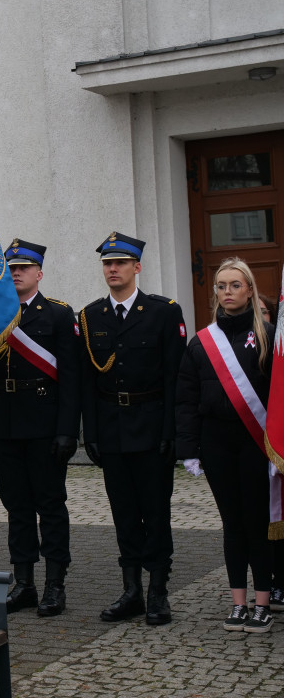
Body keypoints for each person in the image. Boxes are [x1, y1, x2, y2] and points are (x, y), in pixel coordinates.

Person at [80, 232, 186, 625]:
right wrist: (89, 433)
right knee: (123, 512)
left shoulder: (163, 312)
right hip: (111, 430)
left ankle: (158, 590)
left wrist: (172, 432)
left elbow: (175, 378)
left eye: (120, 263)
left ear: (136, 267)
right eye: (107, 263)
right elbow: (88, 383)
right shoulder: (90, 317)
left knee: (155, 513)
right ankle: (132, 592)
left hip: (152, 426)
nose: (112, 269)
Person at [177, 257, 276, 633]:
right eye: (222, 286)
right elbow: (185, 399)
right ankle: (238, 602)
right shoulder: (201, 343)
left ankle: (262, 602)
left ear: (249, 289)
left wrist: (278, 448)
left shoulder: (268, 334)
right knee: (232, 524)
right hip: (216, 442)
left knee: (257, 524)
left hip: (256, 443)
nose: (228, 292)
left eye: (236, 285)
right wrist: (188, 448)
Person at [0, 239, 80, 617]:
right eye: (11, 268)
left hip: (44, 420)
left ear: (38, 273)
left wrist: (67, 431)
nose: (16, 273)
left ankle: (54, 585)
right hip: (6, 421)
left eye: (23, 268)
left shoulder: (58, 314)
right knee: (16, 507)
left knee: (50, 505)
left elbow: (72, 378)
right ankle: (23, 582)